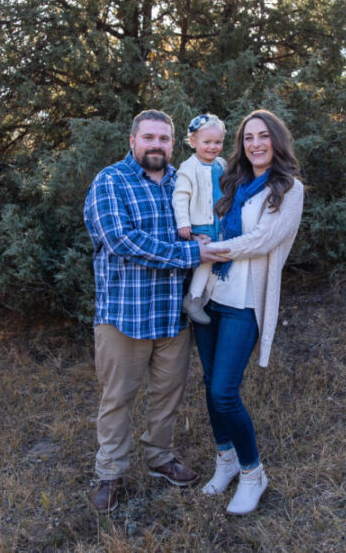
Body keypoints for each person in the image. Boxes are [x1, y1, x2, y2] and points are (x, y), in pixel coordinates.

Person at [83, 109, 229, 514]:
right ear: (133, 141)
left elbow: (199, 220)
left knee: (167, 395)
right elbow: (122, 241)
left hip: (171, 316)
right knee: (118, 399)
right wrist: (191, 251)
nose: (156, 145)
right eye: (148, 138)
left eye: (163, 139)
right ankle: (110, 472)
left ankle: (160, 457)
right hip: (124, 317)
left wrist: (203, 237)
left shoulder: (179, 182)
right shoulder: (111, 181)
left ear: (172, 143)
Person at [192, 109, 304, 516]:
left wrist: (213, 249)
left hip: (244, 305)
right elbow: (214, 225)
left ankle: (253, 473)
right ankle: (224, 461)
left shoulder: (289, 189)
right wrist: (205, 240)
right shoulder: (233, 183)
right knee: (209, 384)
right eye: (248, 137)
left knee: (225, 392)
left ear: (276, 140)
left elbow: (262, 240)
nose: (255, 144)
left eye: (263, 136)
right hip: (211, 297)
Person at [172, 113, 228, 325]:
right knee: (206, 259)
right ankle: (193, 299)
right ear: (193, 142)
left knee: (218, 258)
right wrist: (183, 223)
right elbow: (180, 196)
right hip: (201, 223)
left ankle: (204, 297)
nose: (213, 147)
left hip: (219, 221)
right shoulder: (189, 166)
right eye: (207, 142)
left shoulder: (221, 164)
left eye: (218, 142)